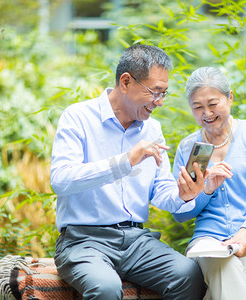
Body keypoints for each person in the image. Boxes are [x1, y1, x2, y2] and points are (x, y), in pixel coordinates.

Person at [50, 44, 206, 300]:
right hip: (83, 241)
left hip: (136, 241)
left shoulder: (152, 129)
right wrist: (126, 161)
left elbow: (161, 191)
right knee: (106, 288)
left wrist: (184, 194)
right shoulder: (77, 117)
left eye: (164, 93)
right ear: (125, 82)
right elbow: (61, 179)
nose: (160, 102)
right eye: (155, 92)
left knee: (187, 273)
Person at [172, 66, 246, 300]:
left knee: (225, 291)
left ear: (230, 97)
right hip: (209, 246)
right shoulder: (187, 148)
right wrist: (205, 190)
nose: (206, 113)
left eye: (213, 104)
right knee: (221, 263)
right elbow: (180, 214)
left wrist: (245, 234)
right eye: (197, 107)